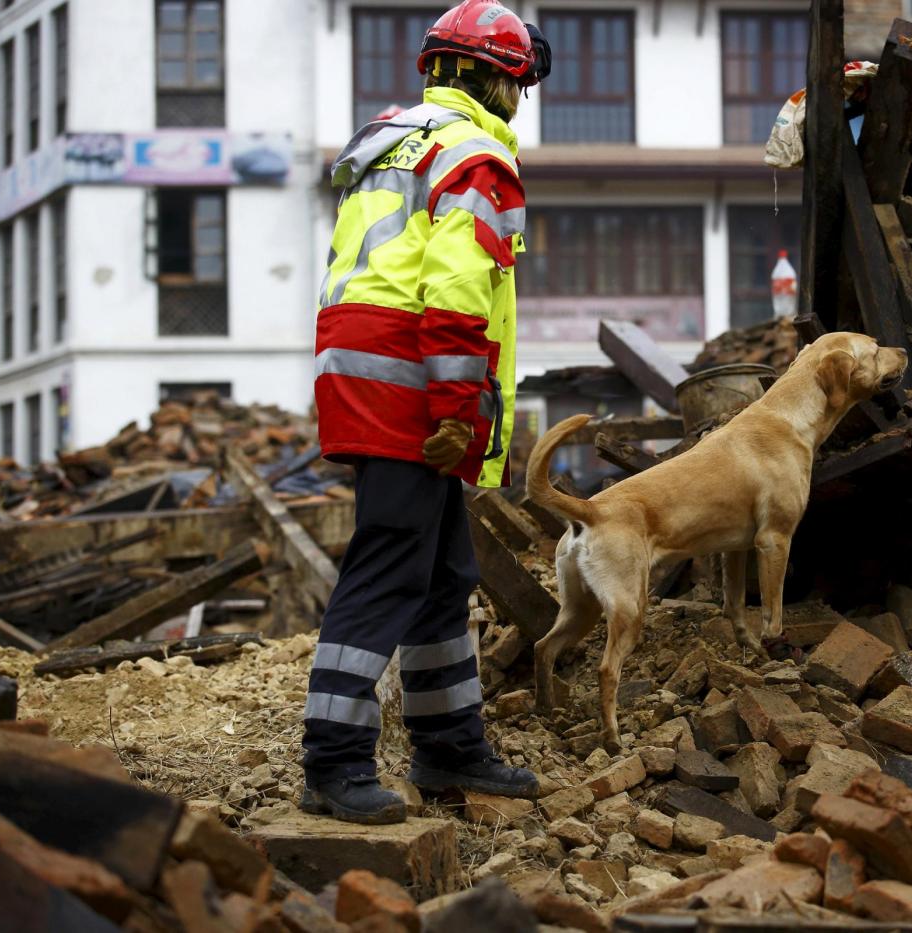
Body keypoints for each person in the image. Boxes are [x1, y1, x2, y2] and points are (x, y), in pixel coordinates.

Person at [299, 0, 551, 824]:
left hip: (364, 367)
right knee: (390, 566)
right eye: (517, 81)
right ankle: (333, 762)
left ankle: (448, 746)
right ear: (491, 78)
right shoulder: (474, 156)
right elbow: (453, 292)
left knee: (445, 574)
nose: (520, 100)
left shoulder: (391, 145)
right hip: (411, 381)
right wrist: (455, 408)